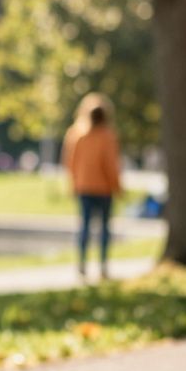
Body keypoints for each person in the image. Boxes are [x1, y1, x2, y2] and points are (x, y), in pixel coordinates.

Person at [61, 93, 122, 280]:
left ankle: (82, 264)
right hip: (103, 189)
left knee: (85, 227)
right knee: (104, 228)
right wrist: (117, 187)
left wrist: (73, 183)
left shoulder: (76, 134)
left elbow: (69, 162)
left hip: (84, 187)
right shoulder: (107, 137)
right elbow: (111, 165)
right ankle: (103, 265)